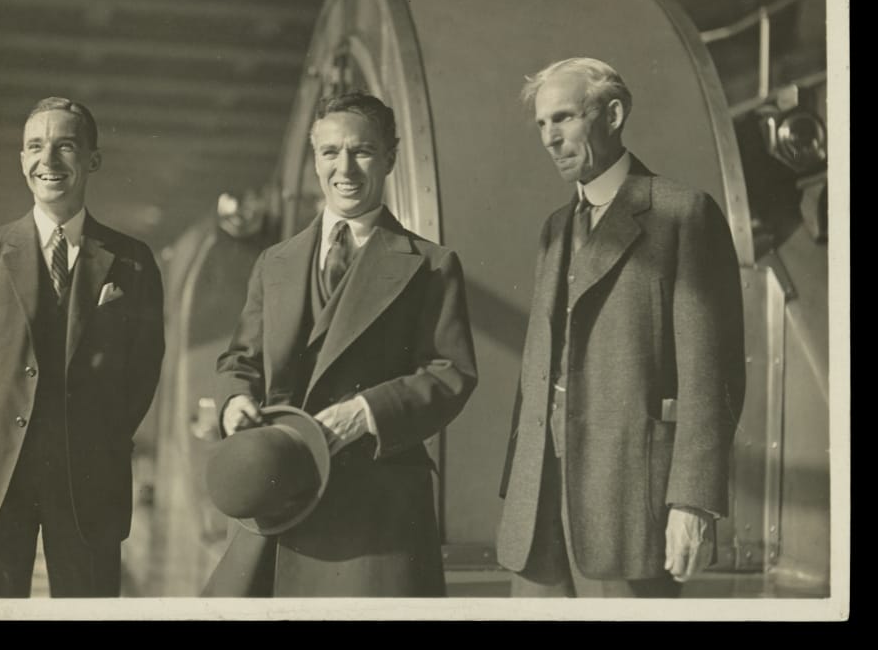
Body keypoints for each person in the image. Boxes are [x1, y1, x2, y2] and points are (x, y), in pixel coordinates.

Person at [204, 91, 477, 597]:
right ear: (315, 160)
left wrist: (366, 412)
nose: (344, 167)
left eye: (363, 151)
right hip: (278, 494)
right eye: (330, 152)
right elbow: (240, 358)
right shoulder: (275, 262)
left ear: (391, 158)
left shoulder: (432, 264)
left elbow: (450, 373)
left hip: (375, 511)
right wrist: (235, 400)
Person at [496, 58, 745, 597]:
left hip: (631, 503)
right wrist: (517, 483)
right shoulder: (555, 228)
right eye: (541, 124)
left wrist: (693, 501)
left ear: (613, 114)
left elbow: (713, 374)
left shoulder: (682, 213)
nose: (549, 138)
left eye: (563, 118)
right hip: (537, 503)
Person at [0, 97, 165, 597]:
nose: (50, 161)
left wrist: (100, 435)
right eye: (36, 147)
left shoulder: (131, 261)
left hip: (87, 473)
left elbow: (142, 369)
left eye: (66, 146)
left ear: (92, 160)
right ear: (22, 160)